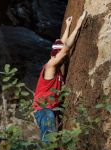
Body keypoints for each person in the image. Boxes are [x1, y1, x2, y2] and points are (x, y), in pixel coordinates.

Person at [32, 11, 87, 143]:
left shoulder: (55, 67)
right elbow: (65, 48)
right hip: (44, 110)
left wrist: (67, 26)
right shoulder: (50, 66)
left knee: (52, 140)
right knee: (49, 138)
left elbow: (61, 45)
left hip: (48, 110)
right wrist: (78, 26)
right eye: (59, 56)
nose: (62, 58)